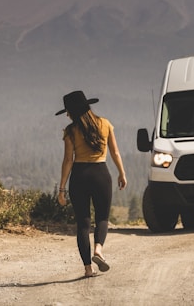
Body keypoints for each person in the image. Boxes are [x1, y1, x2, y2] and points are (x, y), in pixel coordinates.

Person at [56, 90, 128, 278]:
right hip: (101, 174)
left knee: (83, 224)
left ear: (73, 111)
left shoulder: (71, 131)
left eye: (68, 111)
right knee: (102, 217)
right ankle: (98, 249)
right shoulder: (105, 124)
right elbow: (115, 152)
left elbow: (68, 160)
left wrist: (62, 188)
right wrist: (122, 173)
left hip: (79, 176)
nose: (67, 114)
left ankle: (88, 269)